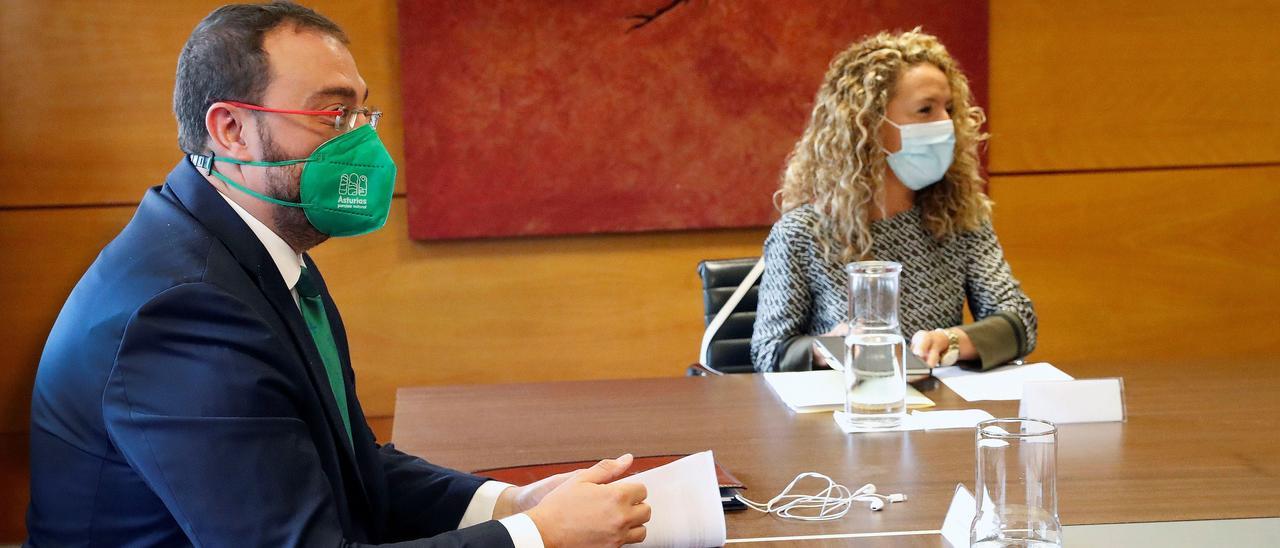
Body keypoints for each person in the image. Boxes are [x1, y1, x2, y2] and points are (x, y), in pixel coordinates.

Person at [26, 2, 649, 546]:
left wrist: (515, 504)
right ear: (231, 129)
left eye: (359, 117)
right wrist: (537, 539)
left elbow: (351, 466)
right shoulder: (184, 310)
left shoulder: (258, 249)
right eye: (330, 116)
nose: (358, 147)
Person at [750, 28, 1036, 373]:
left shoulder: (960, 216)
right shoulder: (802, 232)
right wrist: (827, 348)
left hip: (939, 409)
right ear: (868, 125)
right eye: (925, 110)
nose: (946, 124)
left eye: (949, 108)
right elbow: (767, 352)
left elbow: (1019, 321)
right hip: (845, 411)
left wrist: (953, 341)